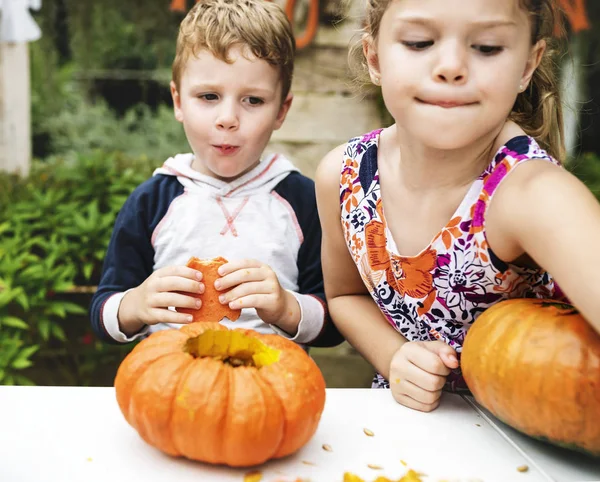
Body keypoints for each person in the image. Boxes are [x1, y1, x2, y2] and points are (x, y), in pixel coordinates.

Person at [316, 0, 600, 411]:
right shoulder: (344, 176)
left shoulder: (533, 194)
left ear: (527, 66)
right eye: (419, 42)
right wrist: (394, 355)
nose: (451, 66)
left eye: (486, 47)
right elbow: (345, 296)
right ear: (374, 57)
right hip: (406, 441)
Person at [90, 0, 342, 348]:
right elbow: (102, 311)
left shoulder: (303, 201)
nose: (228, 118)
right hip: (174, 380)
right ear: (178, 101)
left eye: (252, 100)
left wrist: (287, 308)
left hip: (271, 381)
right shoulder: (152, 201)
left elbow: (334, 323)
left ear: (281, 110)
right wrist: (135, 304)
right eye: (209, 96)